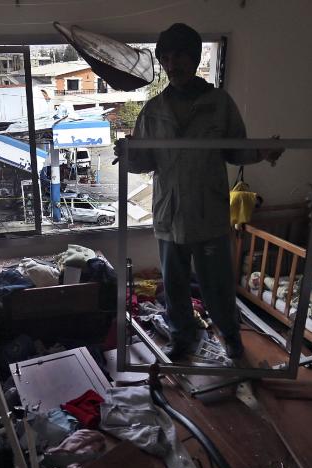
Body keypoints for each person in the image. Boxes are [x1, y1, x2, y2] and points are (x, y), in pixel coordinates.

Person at [118, 23, 282, 361]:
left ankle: (232, 339)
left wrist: (262, 152)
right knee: (174, 289)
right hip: (169, 216)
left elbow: (235, 151)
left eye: (179, 55)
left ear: (194, 58)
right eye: (165, 57)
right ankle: (182, 338)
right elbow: (144, 162)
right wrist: (127, 154)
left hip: (209, 216)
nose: (171, 63)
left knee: (217, 287)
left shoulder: (219, 104)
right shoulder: (153, 110)